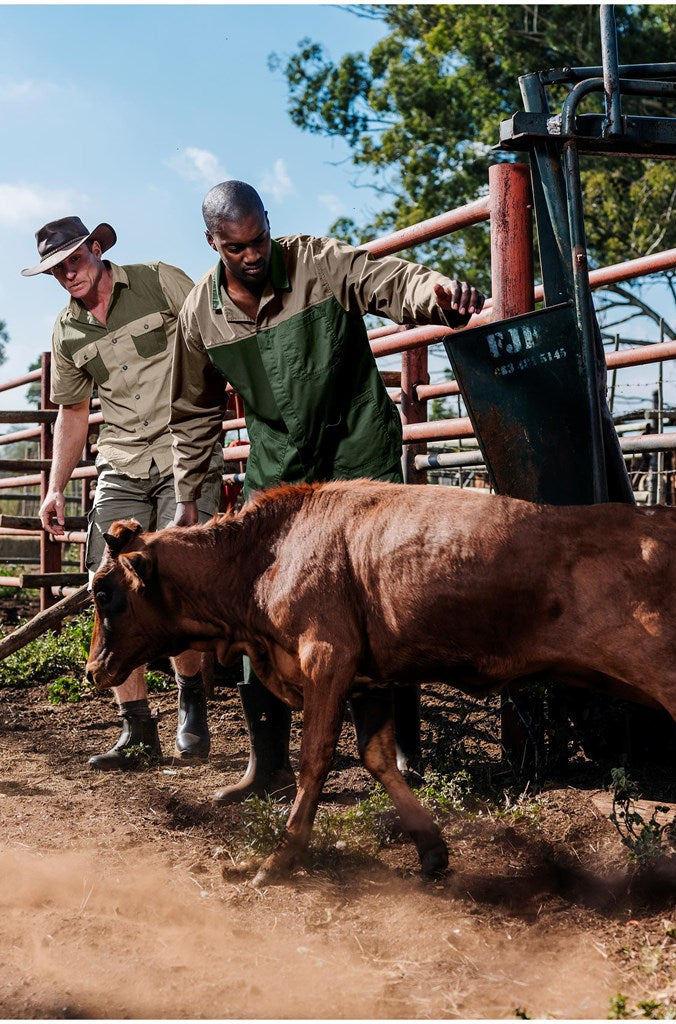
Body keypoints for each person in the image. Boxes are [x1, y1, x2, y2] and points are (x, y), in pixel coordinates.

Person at [168, 181, 486, 804]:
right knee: (258, 609)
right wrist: (191, 499)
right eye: (236, 248)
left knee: (386, 600)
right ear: (213, 244)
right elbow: (192, 414)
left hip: (356, 452)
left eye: (259, 238)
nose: (253, 255)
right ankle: (268, 766)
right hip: (279, 472)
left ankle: (402, 760)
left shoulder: (317, 262)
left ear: (268, 224)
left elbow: (386, 280)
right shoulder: (199, 316)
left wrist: (436, 293)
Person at [22, 216, 223, 770]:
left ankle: (192, 703)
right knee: (106, 586)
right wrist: (55, 487)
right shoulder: (66, 331)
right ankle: (137, 730)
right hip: (123, 461)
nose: (67, 273)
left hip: (186, 450)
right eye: (56, 268)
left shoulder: (160, 281)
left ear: (95, 249)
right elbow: (74, 410)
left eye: (74, 259)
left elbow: (217, 340)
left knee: (176, 581)